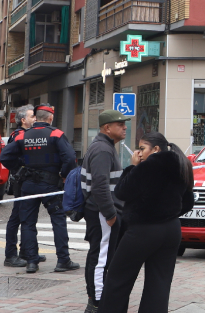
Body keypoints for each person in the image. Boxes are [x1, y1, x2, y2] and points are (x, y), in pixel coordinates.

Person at [97, 132, 194, 313]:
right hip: (171, 230)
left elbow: (122, 191)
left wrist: (132, 167)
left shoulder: (147, 166)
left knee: (118, 279)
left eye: (142, 149)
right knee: (159, 283)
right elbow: (188, 202)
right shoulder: (182, 164)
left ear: (156, 149)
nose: (139, 153)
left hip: (143, 230)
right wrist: (168, 213)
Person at [0, 104, 79, 274]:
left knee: (28, 223)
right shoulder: (56, 134)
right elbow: (71, 158)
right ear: (50, 118)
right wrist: (63, 175)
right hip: (51, 185)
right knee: (58, 220)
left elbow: (4, 157)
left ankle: (32, 262)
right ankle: (63, 260)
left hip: (28, 185)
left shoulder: (23, 136)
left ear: (36, 118)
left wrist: (21, 168)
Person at [83, 110, 130, 313]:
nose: (124, 127)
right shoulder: (103, 150)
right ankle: (97, 302)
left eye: (124, 124)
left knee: (100, 255)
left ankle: (96, 299)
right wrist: (111, 214)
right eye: (119, 124)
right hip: (102, 213)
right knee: (100, 258)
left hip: (100, 211)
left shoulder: (103, 146)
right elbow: (100, 185)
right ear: (107, 128)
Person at [3, 106, 39, 268]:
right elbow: (7, 157)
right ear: (23, 120)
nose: (35, 119)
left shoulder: (27, 135)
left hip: (26, 180)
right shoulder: (18, 135)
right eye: (32, 116)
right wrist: (19, 170)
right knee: (17, 216)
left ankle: (27, 251)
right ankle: (10, 255)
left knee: (28, 217)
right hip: (20, 181)